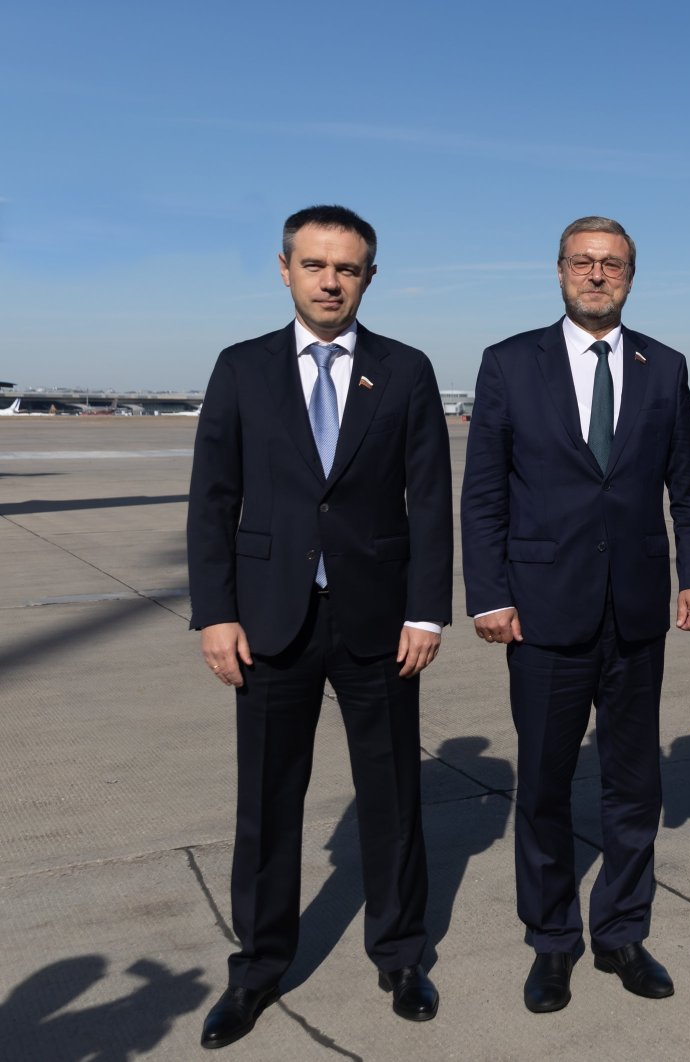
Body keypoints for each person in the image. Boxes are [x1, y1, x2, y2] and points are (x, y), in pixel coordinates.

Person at [187, 205, 453, 1049]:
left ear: (369, 277)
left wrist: (425, 609)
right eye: (315, 265)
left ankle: (402, 955)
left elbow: (430, 501)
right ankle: (259, 970)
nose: (331, 281)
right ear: (285, 269)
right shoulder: (241, 369)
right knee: (266, 803)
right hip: (270, 622)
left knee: (394, 798)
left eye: (347, 268)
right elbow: (213, 502)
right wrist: (216, 613)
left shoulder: (404, 371)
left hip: (378, 619)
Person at [459, 216, 690, 1013]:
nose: (597, 274)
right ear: (559, 270)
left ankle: (622, 932)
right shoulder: (509, 364)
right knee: (542, 784)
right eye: (583, 261)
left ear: (631, 276)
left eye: (612, 264)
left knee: (635, 785)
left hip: (636, 611)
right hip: (541, 612)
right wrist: (491, 594)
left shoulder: (665, 367)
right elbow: (485, 494)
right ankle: (551, 942)